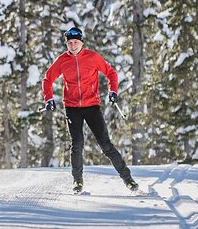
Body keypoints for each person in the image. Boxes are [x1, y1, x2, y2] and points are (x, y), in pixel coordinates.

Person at [42, 26, 139, 194]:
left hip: (92, 106)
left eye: (76, 42)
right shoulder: (62, 60)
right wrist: (49, 98)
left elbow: (111, 73)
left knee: (106, 145)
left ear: (81, 43)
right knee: (77, 144)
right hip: (72, 107)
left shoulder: (92, 57)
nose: (73, 46)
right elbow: (47, 79)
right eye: (70, 43)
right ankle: (77, 182)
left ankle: (128, 179)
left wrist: (113, 91)